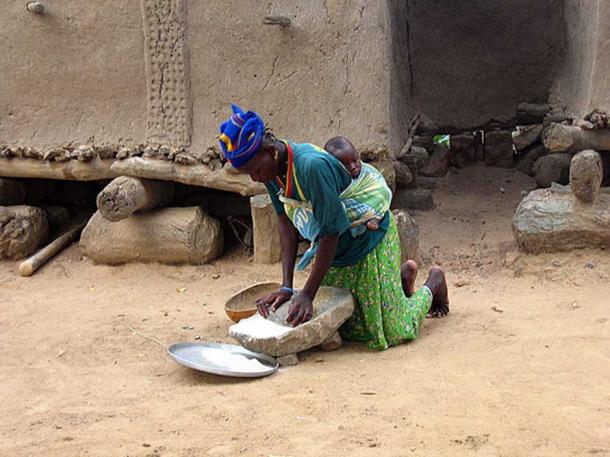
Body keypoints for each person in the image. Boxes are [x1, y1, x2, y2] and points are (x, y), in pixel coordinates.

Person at [218, 104, 449, 351]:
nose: (255, 178)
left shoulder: (311, 167)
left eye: (255, 170)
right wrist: (287, 286)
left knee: (390, 331)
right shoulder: (273, 173)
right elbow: (284, 221)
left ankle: (433, 285)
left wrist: (307, 293)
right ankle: (398, 281)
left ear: (271, 152)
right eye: (248, 174)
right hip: (336, 251)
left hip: (367, 242)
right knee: (344, 325)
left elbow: (330, 231)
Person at [324, 136, 387, 231]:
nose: (353, 167)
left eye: (355, 160)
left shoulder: (368, 174)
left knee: (382, 193)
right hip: (344, 211)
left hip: (370, 205)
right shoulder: (328, 180)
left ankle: (376, 218)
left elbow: (380, 187)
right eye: (345, 165)